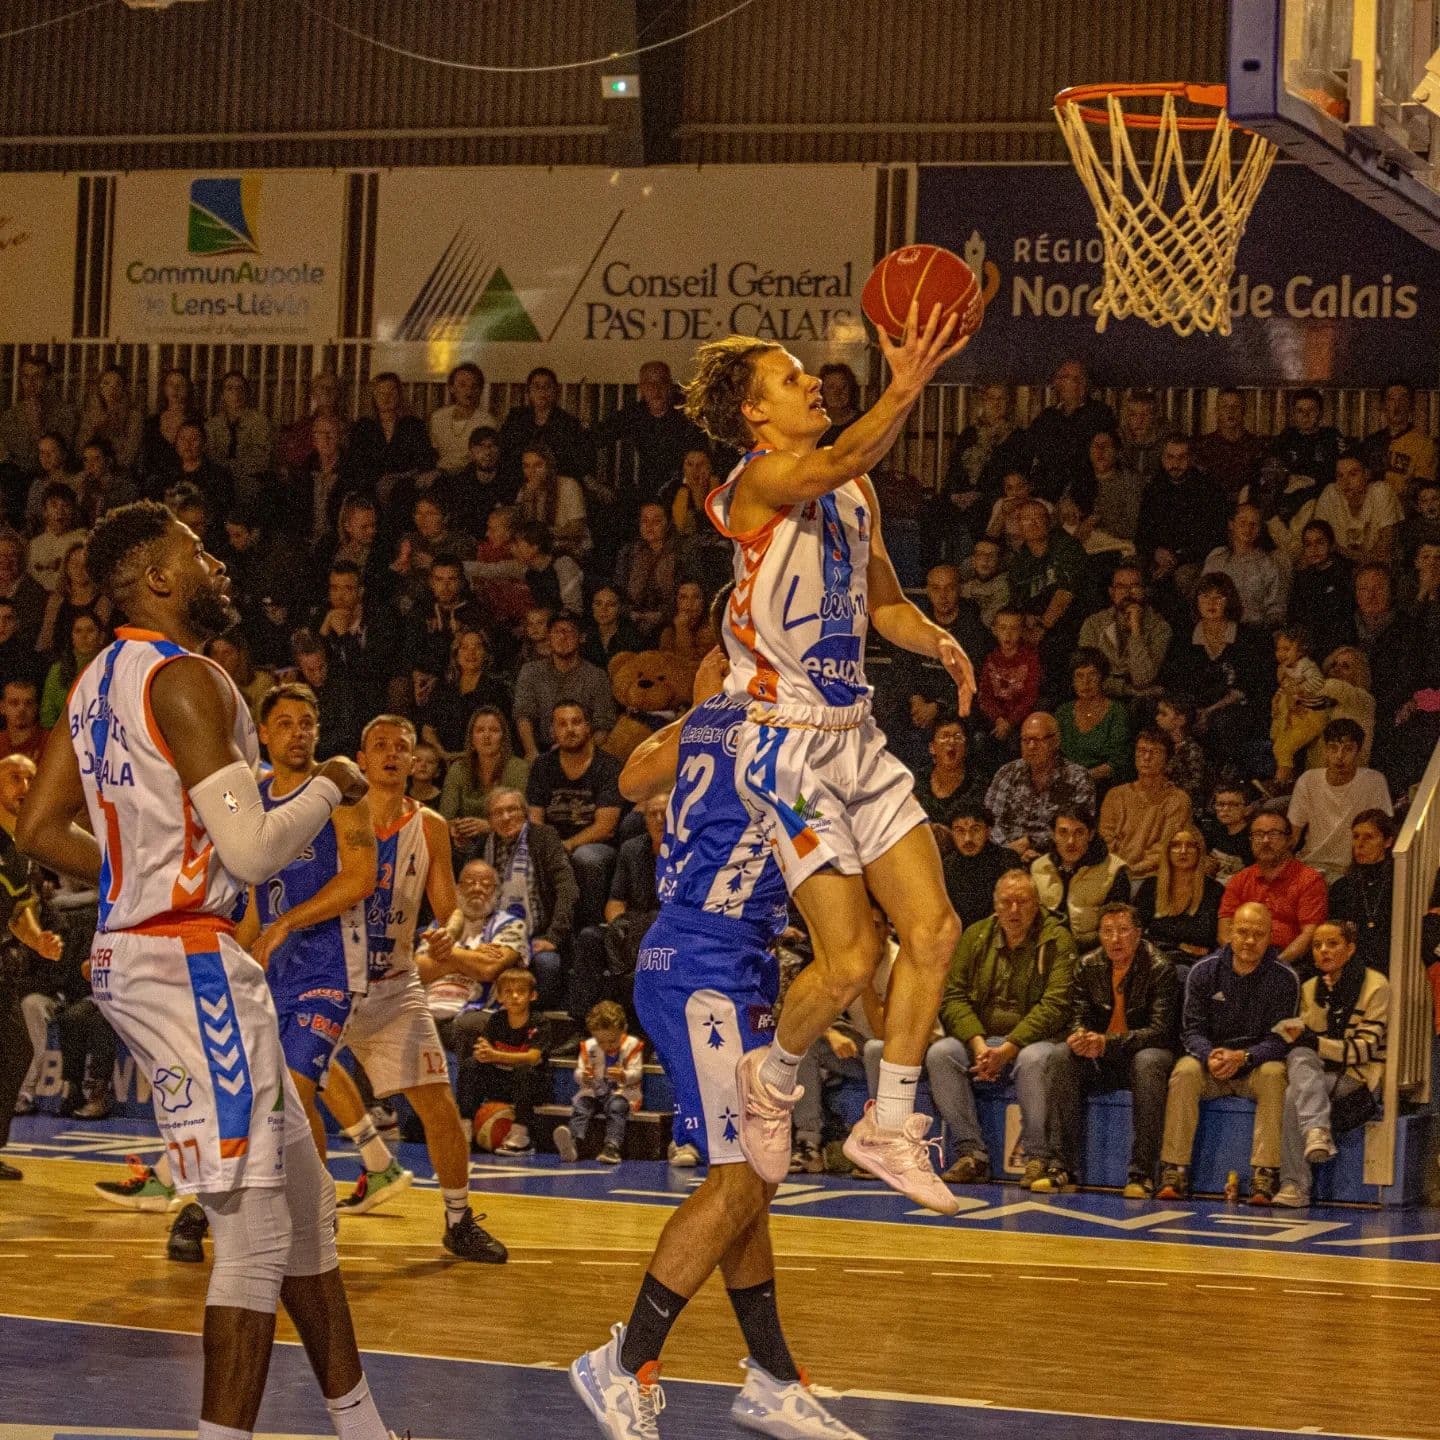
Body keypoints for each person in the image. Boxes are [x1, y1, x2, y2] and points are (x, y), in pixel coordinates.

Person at [15, 499, 398, 1437]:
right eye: (198, 552)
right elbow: (256, 850)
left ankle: (362, 1427)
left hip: (148, 949)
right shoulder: (185, 679)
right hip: (186, 961)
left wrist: (138, 862)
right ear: (154, 578)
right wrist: (330, 784)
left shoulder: (96, 681)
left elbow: (35, 828)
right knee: (256, 1233)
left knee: (305, 1207)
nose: (217, 562)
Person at [684, 308, 974, 1212]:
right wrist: (908, 382)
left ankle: (889, 1122)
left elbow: (881, 600)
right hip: (786, 745)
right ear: (754, 416)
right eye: (788, 377)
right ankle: (770, 1079)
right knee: (848, 961)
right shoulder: (760, 479)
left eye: (806, 370)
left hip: (858, 735)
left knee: (933, 933)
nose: (811, 380)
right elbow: (842, 455)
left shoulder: (852, 493)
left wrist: (937, 641)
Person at [570, 682, 864, 1440]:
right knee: (740, 1178)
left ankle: (771, 1377)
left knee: (752, 1180)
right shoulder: (788, 727)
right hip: (707, 957)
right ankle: (625, 1361)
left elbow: (633, 776)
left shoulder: (711, 715)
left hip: (721, 954)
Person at [320, 714, 507, 1261]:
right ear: (362, 754)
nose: (391, 755)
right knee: (296, 1081)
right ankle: (336, 1191)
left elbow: (448, 911)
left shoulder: (429, 826)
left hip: (395, 983)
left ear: (414, 761)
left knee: (439, 1103)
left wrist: (448, 940)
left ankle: (457, 1218)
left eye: (402, 748)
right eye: (380, 745)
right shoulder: (335, 816)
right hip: (333, 978)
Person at [926, 869, 1078, 1185]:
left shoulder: (1056, 939)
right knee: (941, 1053)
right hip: (984, 1040)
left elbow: (1056, 1004)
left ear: (1036, 904)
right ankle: (972, 1154)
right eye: (1006, 902)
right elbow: (952, 995)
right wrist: (979, 1044)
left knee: (1033, 1060)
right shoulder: (976, 935)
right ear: (995, 905)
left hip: (1037, 1040)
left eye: (1022, 902)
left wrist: (1009, 1048)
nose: (1014, 910)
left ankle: (1037, 1157)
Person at [1031, 902, 1178, 1196]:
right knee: (1061, 1054)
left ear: (1138, 934)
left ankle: (1142, 1174)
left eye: (1123, 931)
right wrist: (1079, 1037)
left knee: (1148, 1062)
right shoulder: (1088, 965)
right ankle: (1061, 1167)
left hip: (1143, 1052)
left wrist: (1107, 1043)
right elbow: (1077, 1017)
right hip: (1101, 1055)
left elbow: (1161, 1031)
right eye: (1108, 932)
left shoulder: (1161, 967)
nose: (1115, 939)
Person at [1157, 901, 1299, 1204]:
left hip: (1255, 1066)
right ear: (1230, 933)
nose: (1249, 941)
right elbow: (1190, 1030)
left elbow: (1282, 1038)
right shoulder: (1203, 971)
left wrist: (1245, 1057)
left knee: (1276, 1074)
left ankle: (1265, 1174)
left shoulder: (1285, 978)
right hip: (1212, 1065)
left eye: (1258, 934)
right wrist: (1210, 1055)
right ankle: (1175, 1169)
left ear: (1270, 937)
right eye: (1243, 932)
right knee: (1184, 1071)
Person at [1273, 920, 1389, 1208]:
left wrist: (1314, 1042)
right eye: (1316, 945)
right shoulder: (1311, 987)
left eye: (1332, 944)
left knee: (1295, 1092)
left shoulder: (1375, 985)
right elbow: (1309, 1042)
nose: (1323, 950)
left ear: (1350, 949)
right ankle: (1316, 1133)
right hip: (1317, 1075)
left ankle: (1295, 1184)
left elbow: (1364, 1050)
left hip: (1360, 1079)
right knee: (1297, 1061)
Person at [0, 755, 63, 1180]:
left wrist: (37, 938)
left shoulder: (21, 847)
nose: (24, 786)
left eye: (30, 779)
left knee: (16, 1051)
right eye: (14, 777)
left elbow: (19, 910)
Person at [478, 787, 578, 1008]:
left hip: (537, 934)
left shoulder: (544, 837)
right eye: (498, 812)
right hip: (493, 936)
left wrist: (554, 936)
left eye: (512, 810)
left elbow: (567, 888)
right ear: (489, 820)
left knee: (547, 965)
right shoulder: (481, 847)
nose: (506, 817)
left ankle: (541, 1027)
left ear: (524, 813)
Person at [527, 701, 624, 929]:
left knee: (585, 858)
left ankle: (589, 932)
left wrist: (568, 845)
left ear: (588, 727)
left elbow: (605, 826)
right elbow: (535, 819)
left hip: (596, 845)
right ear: (553, 731)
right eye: (562, 724)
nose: (570, 729)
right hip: (554, 844)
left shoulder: (608, 766)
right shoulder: (542, 766)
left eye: (576, 722)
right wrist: (549, 848)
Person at [454, 964, 553, 1156]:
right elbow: (485, 1048)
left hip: (532, 1085)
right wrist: (481, 1053)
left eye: (521, 992)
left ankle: (521, 1136)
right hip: (501, 1081)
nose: (514, 996)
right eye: (508, 992)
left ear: (532, 996)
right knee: (470, 1065)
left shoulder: (539, 1022)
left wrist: (496, 1055)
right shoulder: (497, 1020)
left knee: (524, 1069)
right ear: (499, 997)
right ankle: (465, 1126)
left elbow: (533, 1057)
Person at [1286, 718, 1392, 883]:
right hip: (1310, 866)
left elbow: (1382, 831)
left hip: (1351, 870)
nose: (1340, 756)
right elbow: (1293, 834)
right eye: (1333, 748)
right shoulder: (1308, 780)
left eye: (1348, 749)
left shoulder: (1373, 781)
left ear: (1359, 752)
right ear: (1325, 751)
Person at [986, 710, 1097, 863]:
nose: (1031, 746)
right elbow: (990, 821)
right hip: (1004, 856)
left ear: (1056, 741)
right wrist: (1009, 851)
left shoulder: (1078, 778)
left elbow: (1078, 828)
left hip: (1054, 858)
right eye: (1026, 740)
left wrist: (1032, 844)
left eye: (1037, 740)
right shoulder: (1007, 773)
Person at [1219, 812, 1327, 968]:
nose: (1265, 840)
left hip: (1287, 961)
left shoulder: (1309, 879)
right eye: (1258, 835)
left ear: (1289, 841)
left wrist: (1275, 966)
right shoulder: (1239, 880)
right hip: (1241, 957)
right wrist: (1242, 960)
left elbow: (1309, 935)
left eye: (1274, 834)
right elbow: (1224, 932)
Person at [554, 999, 646, 1164]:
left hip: (623, 1094)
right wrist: (583, 1076)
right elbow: (579, 1071)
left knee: (616, 1107)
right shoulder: (589, 1046)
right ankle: (573, 1142)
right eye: (601, 1042)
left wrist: (624, 1075)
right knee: (582, 1106)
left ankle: (612, 1147)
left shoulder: (633, 1045)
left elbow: (637, 1072)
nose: (607, 1046)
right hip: (595, 1092)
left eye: (612, 1041)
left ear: (623, 1030)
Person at [513, 613, 616, 758]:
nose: (563, 637)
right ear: (548, 638)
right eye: (557, 632)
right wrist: (531, 751)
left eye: (569, 631)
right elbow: (523, 714)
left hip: (584, 750)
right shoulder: (530, 671)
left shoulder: (597, 676)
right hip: (542, 750)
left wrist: (580, 753)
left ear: (581, 638)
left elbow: (603, 724)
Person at [1030, 805, 1129, 950]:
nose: (1071, 841)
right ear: (1053, 834)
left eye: (1079, 832)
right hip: (1046, 948)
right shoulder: (1039, 867)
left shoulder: (1114, 871)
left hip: (1092, 951)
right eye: (1063, 832)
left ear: (1090, 834)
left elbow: (1116, 928)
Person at [1098, 728, 1193, 879]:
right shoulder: (1115, 795)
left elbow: (1165, 847)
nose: (1146, 757)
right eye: (1141, 750)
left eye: (1155, 752)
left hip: (1152, 877)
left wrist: (1132, 871)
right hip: (1112, 874)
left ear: (1167, 758)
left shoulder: (1177, 800)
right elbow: (1105, 841)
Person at [439, 705, 530, 857]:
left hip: (507, 841)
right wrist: (455, 829)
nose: (486, 736)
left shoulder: (519, 768)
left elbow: (524, 820)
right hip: (465, 843)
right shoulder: (459, 768)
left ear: (503, 737)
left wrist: (489, 826)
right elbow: (445, 818)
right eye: (480, 731)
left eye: (493, 730)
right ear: (472, 739)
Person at [1076, 561, 1172, 704]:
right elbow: (1087, 679)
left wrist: (1135, 628)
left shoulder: (1160, 628)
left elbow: (1142, 679)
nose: (1128, 592)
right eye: (1121, 586)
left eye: (1134, 586)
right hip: (1101, 696)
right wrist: (1128, 689)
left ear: (1144, 590)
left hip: (1142, 702)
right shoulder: (1093, 624)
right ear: (1111, 592)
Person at [1133, 828, 1224, 972]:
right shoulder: (1151, 887)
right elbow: (1136, 933)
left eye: (1191, 846)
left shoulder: (1214, 890)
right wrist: (1179, 945)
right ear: (1167, 851)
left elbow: (1210, 938)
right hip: (1155, 961)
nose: (1183, 851)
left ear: (1200, 851)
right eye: (1175, 845)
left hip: (1194, 965)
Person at [1327, 809, 1397, 975]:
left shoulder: (1398, 883)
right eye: (1356, 836)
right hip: (1350, 968)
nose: (1359, 843)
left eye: (1369, 837)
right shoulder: (1342, 887)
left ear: (1387, 842)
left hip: (1390, 967)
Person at [1202, 502, 1288, 628]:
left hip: (1253, 631)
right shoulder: (1217, 559)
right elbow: (1203, 594)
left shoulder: (1269, 564)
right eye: (1242, 522)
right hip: (1218, 629)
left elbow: (1277, 607)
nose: (1248, 529)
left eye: (1253, 524)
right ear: (1232, 524)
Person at [941, 801, 1025, 930]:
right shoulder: (947, 866)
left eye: (975, 829)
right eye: (960, 831)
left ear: (988, 831)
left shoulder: (1007, 860)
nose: (968, 838)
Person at [1056, 648, 1131, 789]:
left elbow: (1118, 762)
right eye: (1079, 676)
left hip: (1103, 786)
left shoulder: (1117, 713)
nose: (1086, 682)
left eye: (1092, 674)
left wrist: (1083, 778)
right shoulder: (1063, 713)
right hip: (1065, 784)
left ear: (1102, 677)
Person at [1314, 451, 1402, 568]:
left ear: (1367, 474)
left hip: (1377, 567)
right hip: (1339, 566)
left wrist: (1345, 553)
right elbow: (1319, 540)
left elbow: (1386, 545)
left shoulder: (1381, 491)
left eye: (1353, 474)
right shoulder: (1330, 493)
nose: (1345, 482)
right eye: (1340, 476)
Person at [977, 607, 1041, 753]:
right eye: (1003, 628)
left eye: (1014, 628)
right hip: (995, 720)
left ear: (1022, 631)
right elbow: (985, 694)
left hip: (1020, 719)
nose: (1008, 634)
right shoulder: (990, 659)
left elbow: (1030, 696)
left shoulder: (1030, 659)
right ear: (994, 630)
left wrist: (1010, 722)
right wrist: (999, 719)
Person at [912, 712, 985, 823]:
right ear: (932, 747)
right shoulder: (916, 781)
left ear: (965, 748)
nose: (951, 742)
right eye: (944, 736)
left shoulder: (978, 784)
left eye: (957, 737)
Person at [429, 362, 496, 475]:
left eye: (474, 386)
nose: (468, 391)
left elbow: (486, 458)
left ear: (480, 390)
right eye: (462, 385)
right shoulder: (438, 417)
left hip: (471, 476)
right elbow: (433, 453)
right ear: (451, 388)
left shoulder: (487, 421)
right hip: (441, 474)